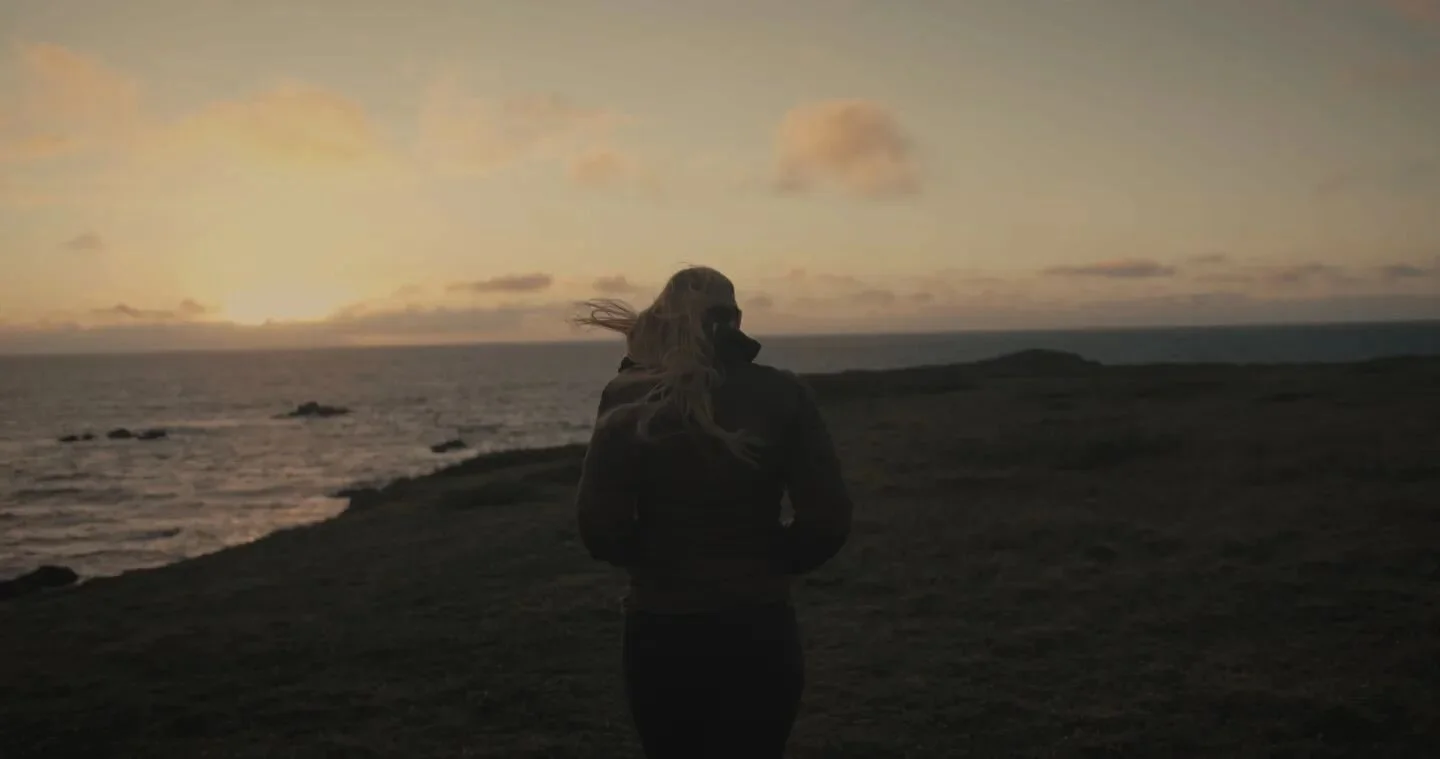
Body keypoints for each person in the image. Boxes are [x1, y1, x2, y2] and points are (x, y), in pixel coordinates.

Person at [573, 265, 854, 759]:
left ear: (664, 317)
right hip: (760, 627)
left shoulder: (627, 394)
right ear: (736, 319)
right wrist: (768, 562)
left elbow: (599, 527)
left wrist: (655, 562)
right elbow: (827, 519)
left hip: (661, 630)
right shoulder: (783, 393)